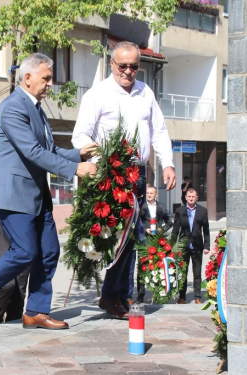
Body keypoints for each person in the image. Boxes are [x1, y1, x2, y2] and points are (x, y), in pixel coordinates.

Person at [0, 53, 98, 330]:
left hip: (37, 195)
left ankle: (35, 311)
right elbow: (32, 152)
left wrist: (76, 154)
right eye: (46, 78)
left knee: (48, 252)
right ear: (28, 78)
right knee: (24, 252)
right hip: (14, 194)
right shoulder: (13, 108)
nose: (50, 84)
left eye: (50, 79)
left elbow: (48, 149)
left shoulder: (36, 108)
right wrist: (75, 170)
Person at [72, 41, 176, 319]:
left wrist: (168, 164)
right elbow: (80, 137)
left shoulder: (146, 93)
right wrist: (101, 162)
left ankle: (118, 294)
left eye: (133, 66)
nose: (128, 71)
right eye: (123, 66)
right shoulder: (98, 94)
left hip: (138, 174)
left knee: (132, 236)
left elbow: (159, 131)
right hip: (111, 175)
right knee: (120, 237)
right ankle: (112, 295)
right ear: (111, 64)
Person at [0, 189, 30, 324]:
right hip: (0, 243)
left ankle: (13, 324)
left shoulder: (28, 184)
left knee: (19, 290)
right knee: (7, 285)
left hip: (24, 244)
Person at [132, 185, 173, 303]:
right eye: (147, 193)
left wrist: (162, 229)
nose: (149, 195)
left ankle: (157, 293)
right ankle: (141, 294)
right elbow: (137, 221)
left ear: (156, 195)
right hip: (144, 240)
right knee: (142, 267)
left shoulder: (162, 207)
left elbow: (169, 222)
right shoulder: (141, 206)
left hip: (158, 240)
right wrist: (145, 229)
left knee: (157, 266)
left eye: (151, 193)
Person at [173, 188, 210, 304]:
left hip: (197, 246)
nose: (191, 198)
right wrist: (172, 245)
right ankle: (182, 297)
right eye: (189, 196)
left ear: (197, 198)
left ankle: (197, 296)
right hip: (183, 247)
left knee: (197, 273)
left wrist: (206, 246)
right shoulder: (180, 210)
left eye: (193, 197)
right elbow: (175, 229)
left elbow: (206, 230)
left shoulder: (202, 211)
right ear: (186, 197)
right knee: (182, 272)